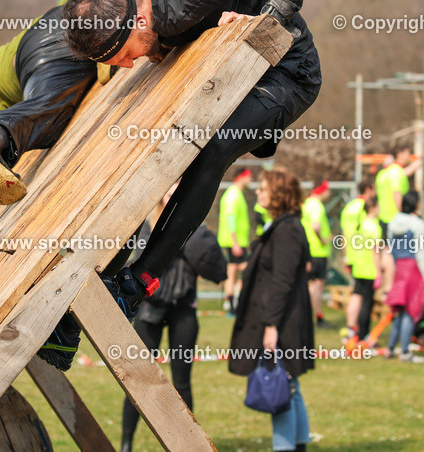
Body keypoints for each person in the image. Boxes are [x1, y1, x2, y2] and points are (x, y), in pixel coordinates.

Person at [61, 0, 325, 307]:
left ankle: (141, 281)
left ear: (138, 21)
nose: (129, 64)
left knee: (212, 147)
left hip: (286, 72)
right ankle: (106, 267)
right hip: (227, 74)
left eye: (126, 55)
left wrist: (268, 19)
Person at [0, 0, 110, 205]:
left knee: (48, 113)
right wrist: (108, 23)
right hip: (53, 27)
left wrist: (105, 43)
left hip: (40, 53)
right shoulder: (62, 9)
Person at [120, 221, 226, 452]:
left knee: (182, 382)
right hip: (151, 308)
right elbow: (144, 257)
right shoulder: (149, 224)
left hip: (183, 308)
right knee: (138, 380)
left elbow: (217, 269)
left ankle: (189, 444)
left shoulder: (195, 226)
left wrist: (191, 236)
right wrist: (175, 238)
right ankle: (126, 444)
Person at [228, 168, 314, 452]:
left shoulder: (287, 230)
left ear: (278, 194)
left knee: (280, 388)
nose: (257, 191)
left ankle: (285, 447)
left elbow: (282, 281)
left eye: (263, 188)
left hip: (283, 321)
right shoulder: (280, 226)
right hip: (283, 317)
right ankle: (299, 446)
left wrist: (271, 325)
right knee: (291, 385)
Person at [384, 191, 424, 363]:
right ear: (416, 204)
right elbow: (421, 254)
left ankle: (390, 348)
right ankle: (405, 351)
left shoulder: (392, 223)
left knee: (399, 311)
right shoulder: (417, 224)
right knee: (411, 311)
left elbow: (390, 248)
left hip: (398, 269)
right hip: (413, 270)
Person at [375, 145, 424, 239]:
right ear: (400, 154)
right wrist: (402, 214)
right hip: (395, 218)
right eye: (407, 153)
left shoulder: (383, 173)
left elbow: (409, 170)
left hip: (383, 217)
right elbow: (396, 193)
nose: (409, 156)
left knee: (387, 245)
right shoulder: (396, 172)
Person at [346, 194, 382, 343]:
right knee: (367, 303)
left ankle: (353, 331)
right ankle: (364, 335)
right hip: (369, 269)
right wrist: (379, 272)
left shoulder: (361, 225)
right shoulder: (374, 227)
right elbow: (375, 251)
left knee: (358, 297)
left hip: (359, 266)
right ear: (373, 208)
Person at [218, 168, 253, 315]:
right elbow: (230, 218)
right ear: (240, 177)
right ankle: (233, 305)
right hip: (234, 243)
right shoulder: (233, 195)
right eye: (248, 176)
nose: (251, 179)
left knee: (234, 271)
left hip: (238, 242)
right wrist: (235, 243)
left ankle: (233, 303)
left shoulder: (237, 193)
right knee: (239, 271)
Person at [302, 181, 333, 329]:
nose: (329, 193)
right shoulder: (316, 206)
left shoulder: (307, 203)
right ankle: (316, 317)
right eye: (328, 189)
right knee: (317, 285)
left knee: (310, 284)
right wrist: (322, 239)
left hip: (309, 250)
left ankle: (307, 316)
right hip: (318, 251)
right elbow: (315, 226)